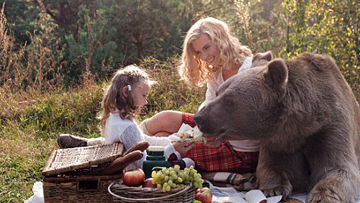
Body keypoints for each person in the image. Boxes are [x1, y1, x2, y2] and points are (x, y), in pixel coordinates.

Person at [140, 17, 260, 174]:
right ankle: (130, 140)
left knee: (169, 148)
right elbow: (208, 104)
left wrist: (206, 136)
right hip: (214, 131)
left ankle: (135, 158)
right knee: (165, 119)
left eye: (207, 47)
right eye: (198, 52)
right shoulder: (217, 71)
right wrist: (193, 130)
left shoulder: (248, 71)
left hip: (239, 150)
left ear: (221, 40)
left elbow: (253, 125)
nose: (203, 56)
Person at [57, 65, 190, 170]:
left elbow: (143, 141)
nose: (146, 102)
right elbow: (143, 164)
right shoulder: (127, 127)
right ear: (126, 92)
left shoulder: (115, 116)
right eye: (144, 96)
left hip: (128, 166)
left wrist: (170, 141)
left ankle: (82, 143)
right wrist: (173, 150)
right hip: (130, 173)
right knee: (189, 162)